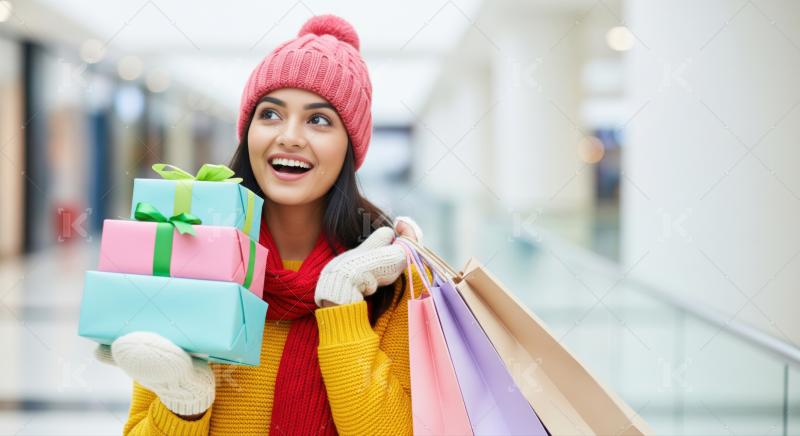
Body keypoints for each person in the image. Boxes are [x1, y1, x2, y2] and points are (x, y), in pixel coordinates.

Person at [95, 14, 427, 435]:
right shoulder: (191, 252)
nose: (289, 136)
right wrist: (184, 404)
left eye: (319, 120)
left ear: (350, 145)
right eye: (270, 114)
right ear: (248, 130)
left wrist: (344, 309)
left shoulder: (392, 280)